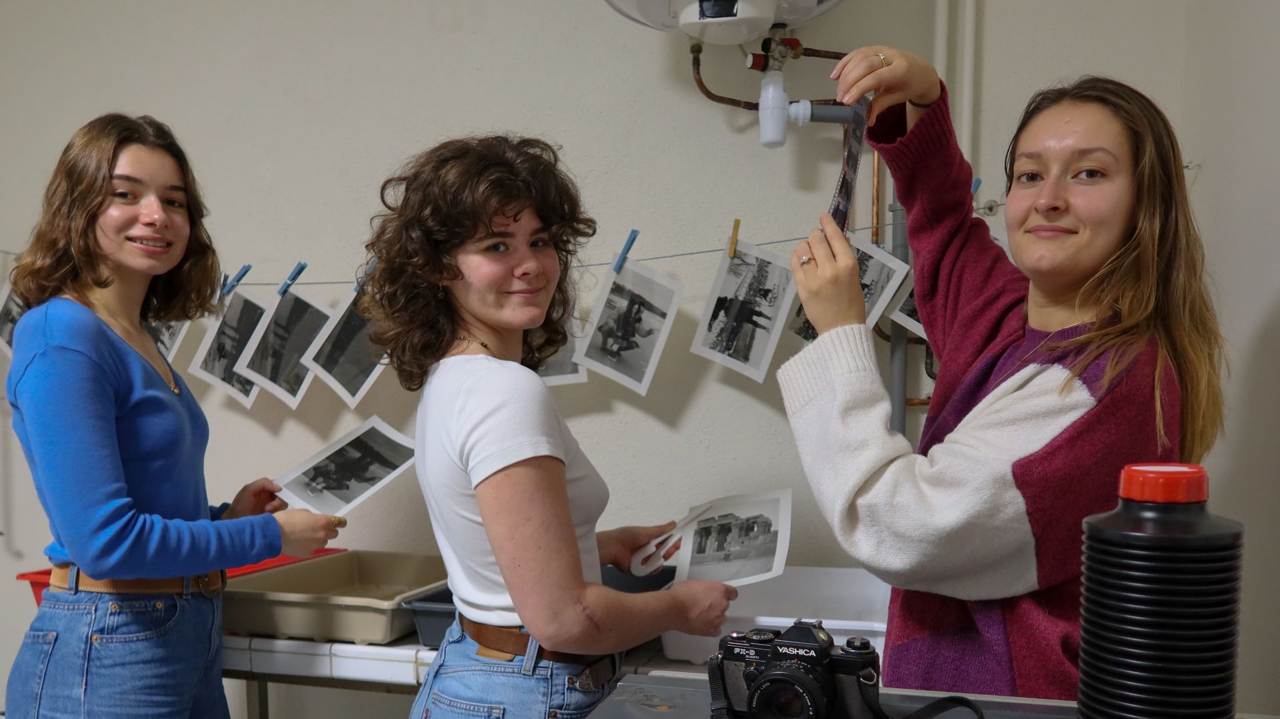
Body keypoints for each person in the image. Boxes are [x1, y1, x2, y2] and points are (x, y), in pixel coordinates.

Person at [778, 48, 1224, 701]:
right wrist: (924, 98)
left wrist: (843, 333)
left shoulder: (1110, 382)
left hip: (1005, 699)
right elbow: (943, 225)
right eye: (1027, 174)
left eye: (1089, 173)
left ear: (1146, 204)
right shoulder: (1009, 311)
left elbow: (900, 523)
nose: (1048, 199)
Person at [360, 135, 738, 719]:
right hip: (524, 685)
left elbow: (494, 551)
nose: (531, 264)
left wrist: (600, 545)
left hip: (480, 669)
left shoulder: (453, 378)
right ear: (439, 267)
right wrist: (680, 608)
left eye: (539, 241)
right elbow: (567, 619)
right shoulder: (504, 390)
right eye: (496, 245)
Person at [4, 114, 345, 719]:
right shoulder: (61, 333)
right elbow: (106, 544)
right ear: (77, 208)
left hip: (184, 633)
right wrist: (267, 537)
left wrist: (226, 516)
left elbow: (146, 514)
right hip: (109, 644)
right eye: (125, 195)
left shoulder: (135, 334)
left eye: (175, 200)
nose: (157, 215)